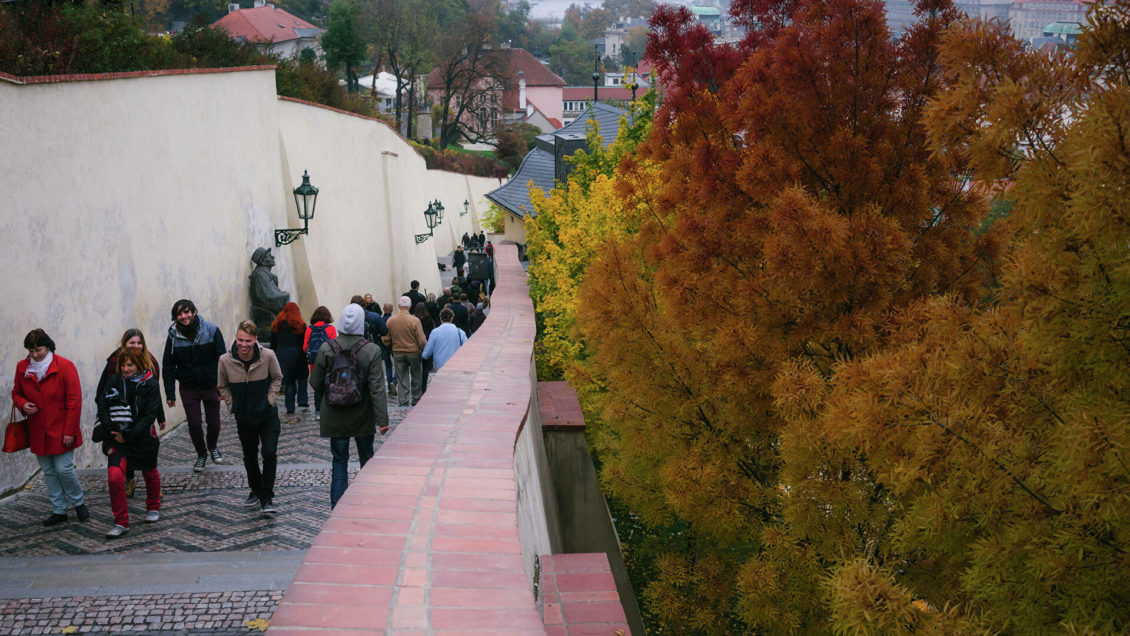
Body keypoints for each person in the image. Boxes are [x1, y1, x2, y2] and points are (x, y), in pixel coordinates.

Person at [311, 304, 388, 508]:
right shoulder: (371, 350)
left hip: (334, 416)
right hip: (362, 415)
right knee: (366, 458)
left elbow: (315, 381)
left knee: (339, 461)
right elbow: (377, 388)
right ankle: (366, 500)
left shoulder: (328, 347)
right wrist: (383, 420)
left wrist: (331, 393)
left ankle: (337, 505)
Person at [12, 329, 88, 527]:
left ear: (48, 346)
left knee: (64, 469)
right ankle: (59, 509)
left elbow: (74, 401)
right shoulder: (22, 368)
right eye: (31, 350)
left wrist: (69, 431)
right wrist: (22, 404)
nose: (35, 354)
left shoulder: (64, 366)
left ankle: (78, 502)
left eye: (39, 349)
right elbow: (16, 392)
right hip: (38, 429)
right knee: (48, 471)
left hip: (61, 428)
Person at [95, 348, 162, 538]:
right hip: (117, 439)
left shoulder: (150, 384)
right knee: (115, 477)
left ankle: (153, 507)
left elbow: (149, 415)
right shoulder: (114, 381)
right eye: (123, 365)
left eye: (130, 365)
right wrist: (111, 431)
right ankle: (121, 521)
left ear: (140, 363)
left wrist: (129, 435)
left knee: (150, 472)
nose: (125, 369)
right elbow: (102, 406)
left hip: (142, 439)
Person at [218, 321, 283, 515]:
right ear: (235, 338)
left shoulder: (268, 356)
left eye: (248, 341)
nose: (243, 345)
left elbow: (277, 377)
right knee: (249, 456)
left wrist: (270, 399)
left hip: (267, 416)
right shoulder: (225, 360)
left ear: (255, 340)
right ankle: (255, 489)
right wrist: (232, 405)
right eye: (240, 340)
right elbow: (222, 386)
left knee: (269, 453)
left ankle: (267, 497)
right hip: (244, 418)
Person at [95, 329, 166, 499]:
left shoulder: (151, 361)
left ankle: (153, 490)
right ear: (124, 344)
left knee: (144, 453)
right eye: (132, 342)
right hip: (119, 418)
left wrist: (160, 416)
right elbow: (102, 392)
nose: (136, 346)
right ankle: (129, 481)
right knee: (123, 452)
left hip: (142, 419)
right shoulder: (115, 362)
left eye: (139, 343)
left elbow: (155, 394)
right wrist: (108, 421)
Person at [162, 299, 226, 473]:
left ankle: (212, 446)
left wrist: (222, 388)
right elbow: (168, 365)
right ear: (175, 317)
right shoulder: (173, 336)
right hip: (188, 387)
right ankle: (201, 454)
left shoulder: (211, 330)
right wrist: (170, 394)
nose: (184, 316)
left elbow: (223, 360)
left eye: (187, 312)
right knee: (195, 423)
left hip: (211, 385)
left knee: (214, 423)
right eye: (180, 314)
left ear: (195, 311)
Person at [384, 296, 428, 407]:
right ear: (410, 306)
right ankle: (416, 399)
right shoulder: (415, 320)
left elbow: (386, 339)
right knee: (416, 376)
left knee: (402, 377)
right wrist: (423, 350)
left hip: (398, 352)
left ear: (398, 306)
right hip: (413, 352)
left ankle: (403, 400)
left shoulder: (391, 320)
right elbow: (422, 340)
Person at [270, 302, 309, 415]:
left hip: (282, 356)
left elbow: (273, 344)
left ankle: (290, 407)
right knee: (302, 379)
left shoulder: (276, 325)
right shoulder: (301, 325)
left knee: (289, 382)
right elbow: (304, 343)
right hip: (298, 355)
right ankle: (302, 402)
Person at [303, 306, 337, 414]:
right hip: (328, 361)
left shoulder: (309, 328)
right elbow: (334, 346)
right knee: (329, 384)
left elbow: (305, 346)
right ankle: (329, 408)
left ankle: (318, 410)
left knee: (317, 385)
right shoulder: (331, 329)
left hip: (314, 362)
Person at [412, 302, 435, 394]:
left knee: (415, 369)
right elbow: (431, 331)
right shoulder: (428, 318)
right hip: (426, 344)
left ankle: (415, 387)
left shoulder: (413, 319)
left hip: (416, 345)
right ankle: (423, 387)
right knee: (425, 368)